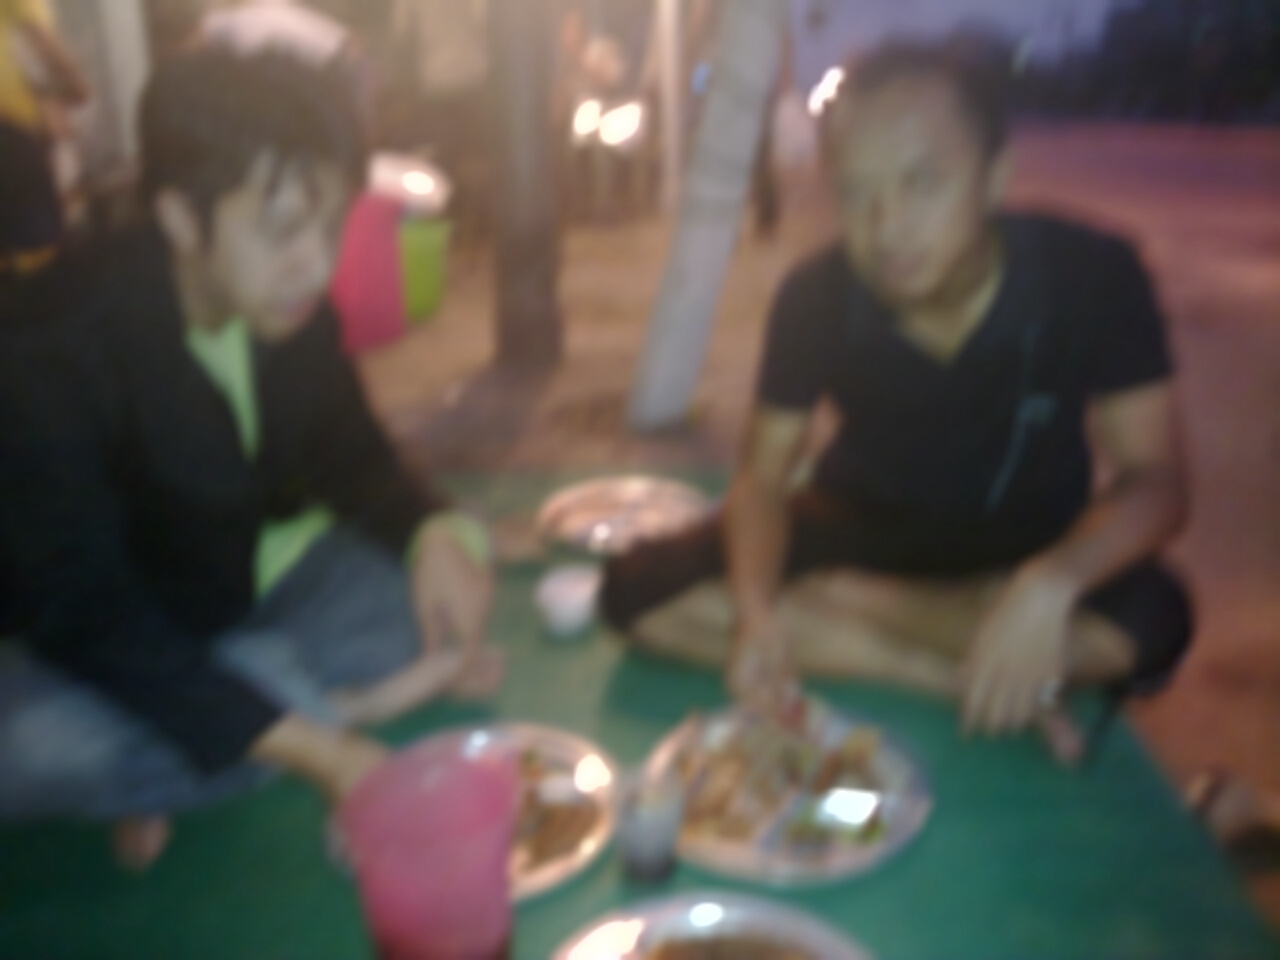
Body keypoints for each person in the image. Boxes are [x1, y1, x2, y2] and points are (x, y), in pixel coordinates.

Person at [600, 41, 1193, 762]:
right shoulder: (815, 297)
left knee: (1156, 617)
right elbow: (761, 479)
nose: (885, 227)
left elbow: (1156, 481)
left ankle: (866, 608)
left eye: (922, 183)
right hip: (861, 524)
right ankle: (951, 674)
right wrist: (754, 612)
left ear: (994, 179)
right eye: (855, 193)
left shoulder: (1092, 276)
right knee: (635, 589)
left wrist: (1049, 583)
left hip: (1027, 539)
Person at [0, 47, 501, 869]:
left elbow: (354, 457)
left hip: (223, 603)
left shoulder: (287, 308)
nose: (317, 264)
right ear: (181, 220)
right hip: (65, 648)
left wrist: (433, 533)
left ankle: (236, 730)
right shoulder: (49, 348)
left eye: (331, 227)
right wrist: (330, 754)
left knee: (404, 603)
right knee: (32, 746)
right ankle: (286, 716)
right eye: (282, 230)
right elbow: (85, 614)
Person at [0, 0, 86, 284]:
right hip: (18, 121)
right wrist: (77, 85)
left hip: (15, 119)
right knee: (40, 226)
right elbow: (39, 39)